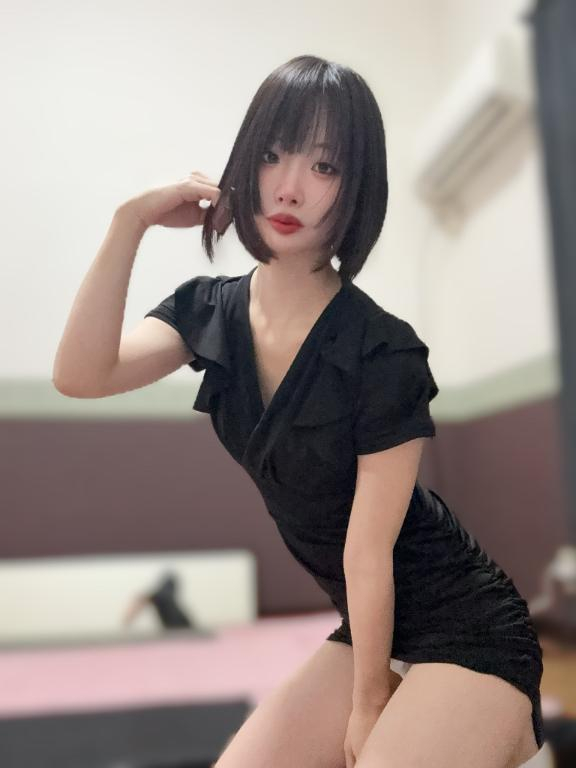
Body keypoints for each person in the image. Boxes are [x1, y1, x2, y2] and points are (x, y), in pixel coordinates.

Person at [53, 55, 544, 768]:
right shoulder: (207, 311)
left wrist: (369, 703)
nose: (289, 187)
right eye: (273, 156)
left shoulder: (382, 349)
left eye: (324, 166)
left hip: (466, 623)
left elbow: (367, 551)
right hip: (368, 627)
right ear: (244, 165)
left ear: (356, 187)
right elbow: (81, 376)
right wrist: (128, 222)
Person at [122, 571, 194, 631]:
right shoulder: (163, 596)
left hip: (180, 630)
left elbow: (142, 599)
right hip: (181, 629)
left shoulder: (163, 596)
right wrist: (129, 617)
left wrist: (128, 618)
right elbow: (143, 599)